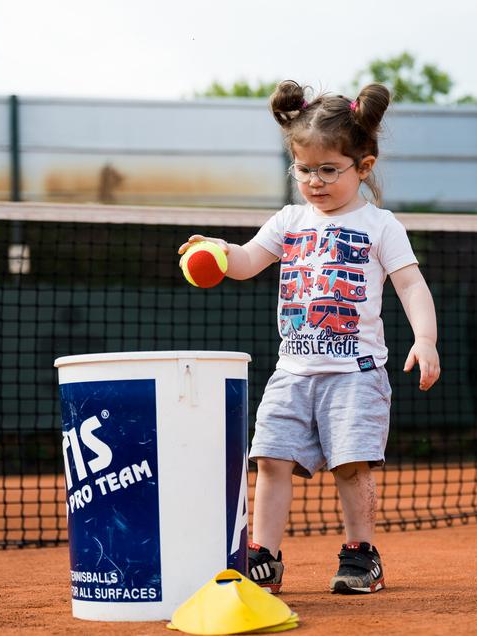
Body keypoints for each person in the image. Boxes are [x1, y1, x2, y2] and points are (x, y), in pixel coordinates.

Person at [178, 80, 440, 594]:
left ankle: (361, 555)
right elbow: (250, 260)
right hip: (291, 372)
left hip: (356, 375)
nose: (315, 182)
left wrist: (425, 340)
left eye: (329, 169)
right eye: (304, 170)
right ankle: (264, 557)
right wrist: (218, 249)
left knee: (351, 466)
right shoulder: (289, 220)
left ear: (363, 167)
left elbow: (411, 284)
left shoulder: (381, 225)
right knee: (271, 460)